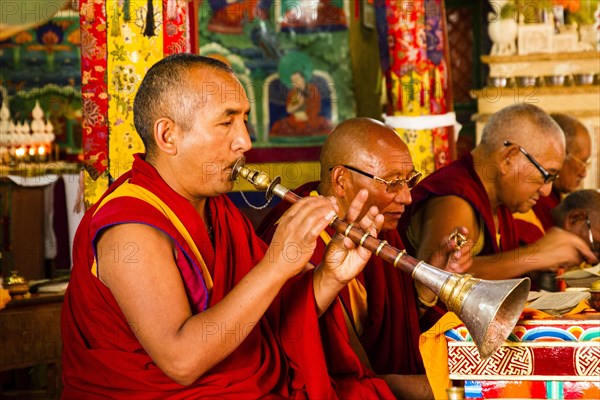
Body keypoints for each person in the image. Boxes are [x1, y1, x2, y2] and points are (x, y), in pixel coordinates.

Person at [61, 54, 395, 398]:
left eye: (244, 120)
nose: (245, 142)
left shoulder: (216, 210)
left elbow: (271, 321)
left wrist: (330, 276)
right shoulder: (130, 229)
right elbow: (181, 362)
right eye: (227, 123)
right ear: (168, 135)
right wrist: (276, 264)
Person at [257, 117, 469, 399]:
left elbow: (388, 324)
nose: (407, 197)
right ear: (341, 181)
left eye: (409, 181)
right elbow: (323, 372)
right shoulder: (299, 242)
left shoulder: (378, 228)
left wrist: (426, 288)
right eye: (393, 183)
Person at [399, 103, 598, 281]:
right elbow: (436, 280)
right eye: (546, 175)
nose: (546, 191)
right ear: (508, 158)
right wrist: (534, 256)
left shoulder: (496, 203)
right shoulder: (455, 200)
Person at [514, 113, 592, 244]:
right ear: (559, 152)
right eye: (582, 162)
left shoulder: (556, 201)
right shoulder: (523, 203)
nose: (584, 173)